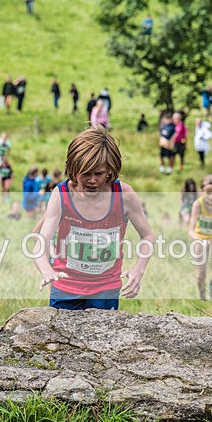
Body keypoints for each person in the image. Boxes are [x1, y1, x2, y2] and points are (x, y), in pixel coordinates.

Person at [33, 126, 155, 310]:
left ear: (111, 170)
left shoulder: (124, 195)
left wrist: (139, 270)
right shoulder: (62, 194)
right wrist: (46, 270)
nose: (92, 180)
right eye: (85, 174)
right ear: (73, 170)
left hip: (106, 288)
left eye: (99, 174)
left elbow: (148, 236)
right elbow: (39, 245)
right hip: (66, 287)